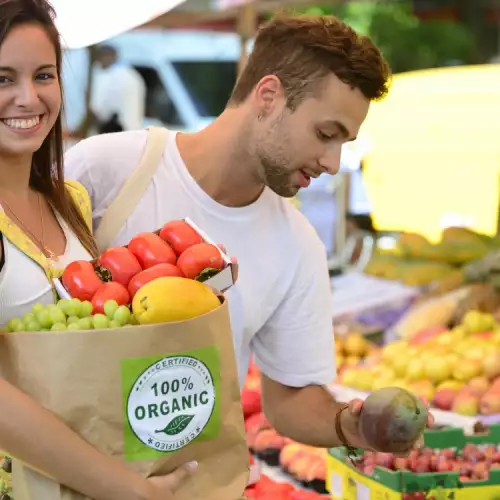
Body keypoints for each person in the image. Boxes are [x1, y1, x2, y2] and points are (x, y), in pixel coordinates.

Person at [66, 13, 433, 452]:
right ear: (269, 96)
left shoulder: (297, 245)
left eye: (343, 144)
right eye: (325, 134)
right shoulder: (104, 170)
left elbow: (291, 400)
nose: (333, 163)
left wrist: (351, 426)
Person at [0, 1, 195, 498]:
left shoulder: (73, 204)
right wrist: (124, 488)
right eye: (3, 79)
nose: (29, 97)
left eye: (44, 75)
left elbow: (99, 336)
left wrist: (191, 287)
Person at [90, 44, 146, 133]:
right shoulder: (133, 75)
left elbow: (99, 108)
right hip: (134, 130)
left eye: (99, 59)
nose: (98, 63)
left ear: (107, 56)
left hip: (115, 130)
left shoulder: (109, 77)